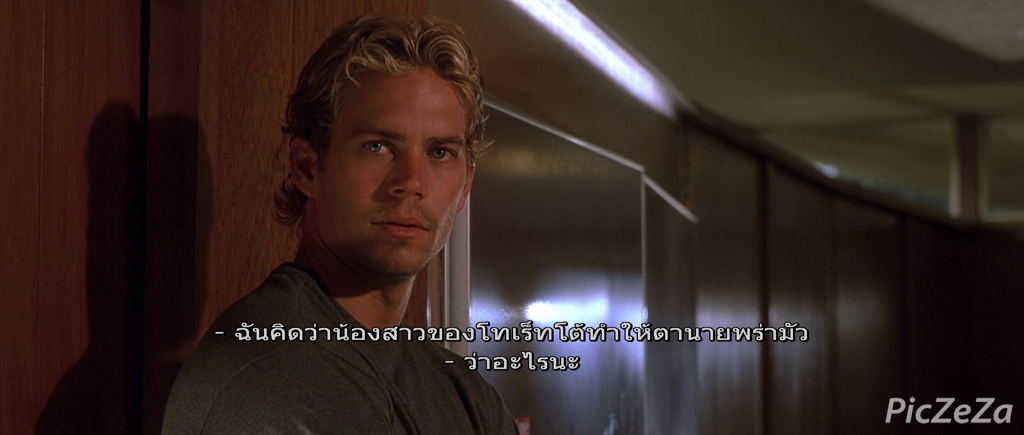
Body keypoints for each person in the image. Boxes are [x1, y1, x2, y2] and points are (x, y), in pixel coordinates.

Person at [161, 14, 519, 435]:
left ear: (465, 187)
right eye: (377, 146)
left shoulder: (466, 396)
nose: (412, 182)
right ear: (307, 167)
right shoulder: (262, 384)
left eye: (440, 152)